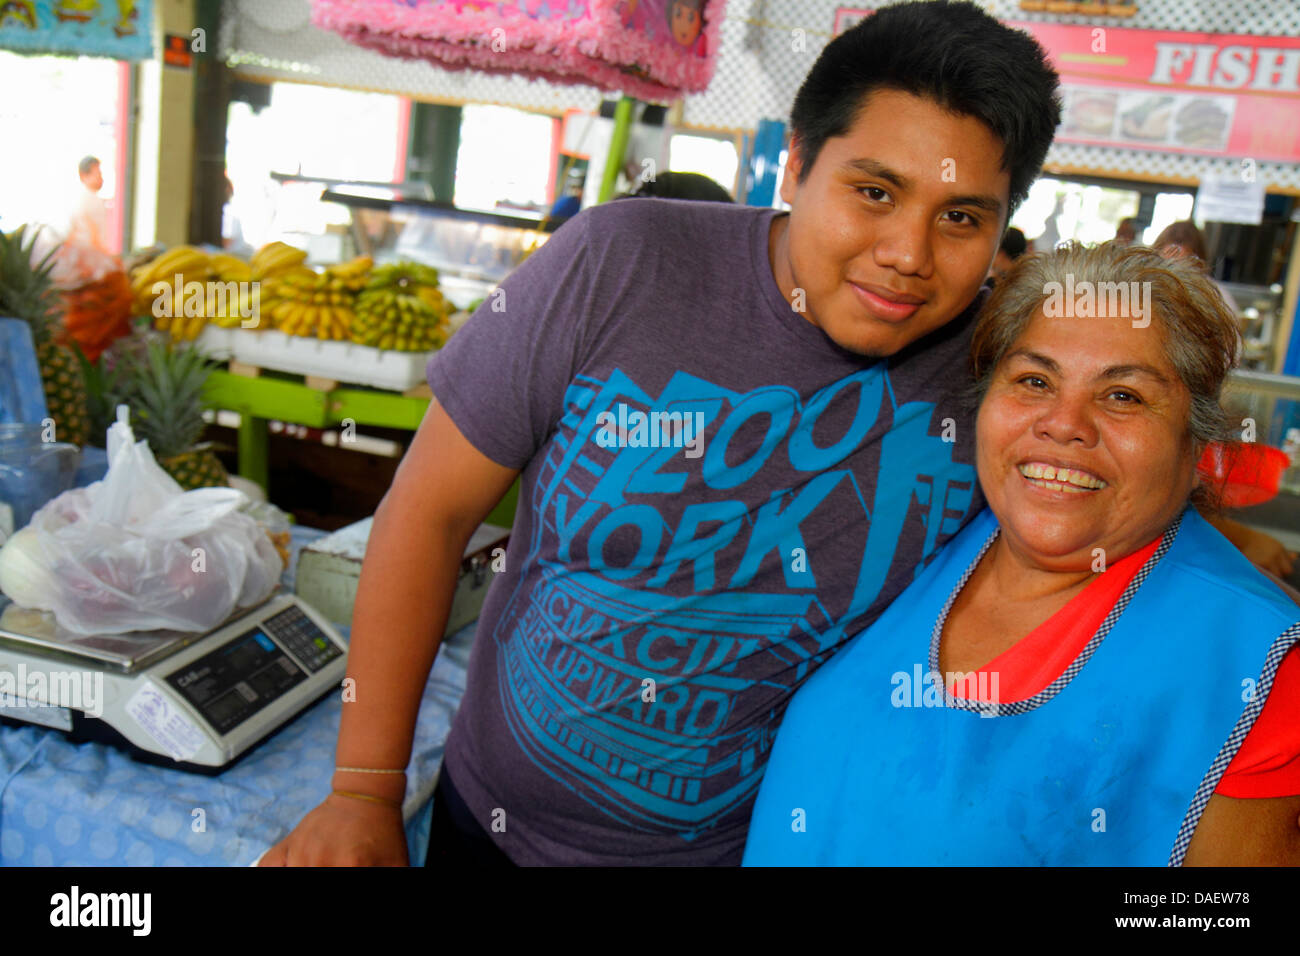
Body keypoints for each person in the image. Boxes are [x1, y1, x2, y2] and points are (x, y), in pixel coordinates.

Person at [262, 0, 1064, 866]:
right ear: (793, 168)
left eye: (961, 218)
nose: (909, 252)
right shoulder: (620, 262)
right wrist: (364, 789)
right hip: (487, 829)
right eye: (874, 192)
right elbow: (428, 514)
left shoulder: (1002, 378)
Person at [744, 241, 1300, 865]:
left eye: (1123, 396)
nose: (1064, 424)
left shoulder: (1255, 661)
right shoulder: (926, 535)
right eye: (1034, 381)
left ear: (1196, 440)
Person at [1154, 219, 1240, 316]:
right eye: (1167, 264)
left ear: (1199, 265)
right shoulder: (1143, 289)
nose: (1173, 273)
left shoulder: (1218, 300)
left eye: (1183, 266)